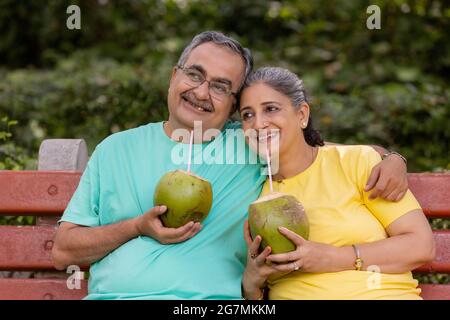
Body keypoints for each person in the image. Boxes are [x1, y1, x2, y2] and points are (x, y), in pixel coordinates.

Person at [52, 31, 409, 300]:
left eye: (221, 87)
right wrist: (137, 227)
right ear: (175, 76)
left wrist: (391, 158)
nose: (202, 92)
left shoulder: (252, 143)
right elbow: (63, 251)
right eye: (195, 75)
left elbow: (324, 152)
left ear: (234, 105)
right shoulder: (116, 149)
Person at [239, 67, 435, 300]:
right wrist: (251, 285)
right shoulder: (253, 193)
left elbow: (421, 246)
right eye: (247, 115)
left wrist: (330, 257)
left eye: (271, 109)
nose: (258, 124)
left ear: (302, 115)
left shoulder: (356, 163)